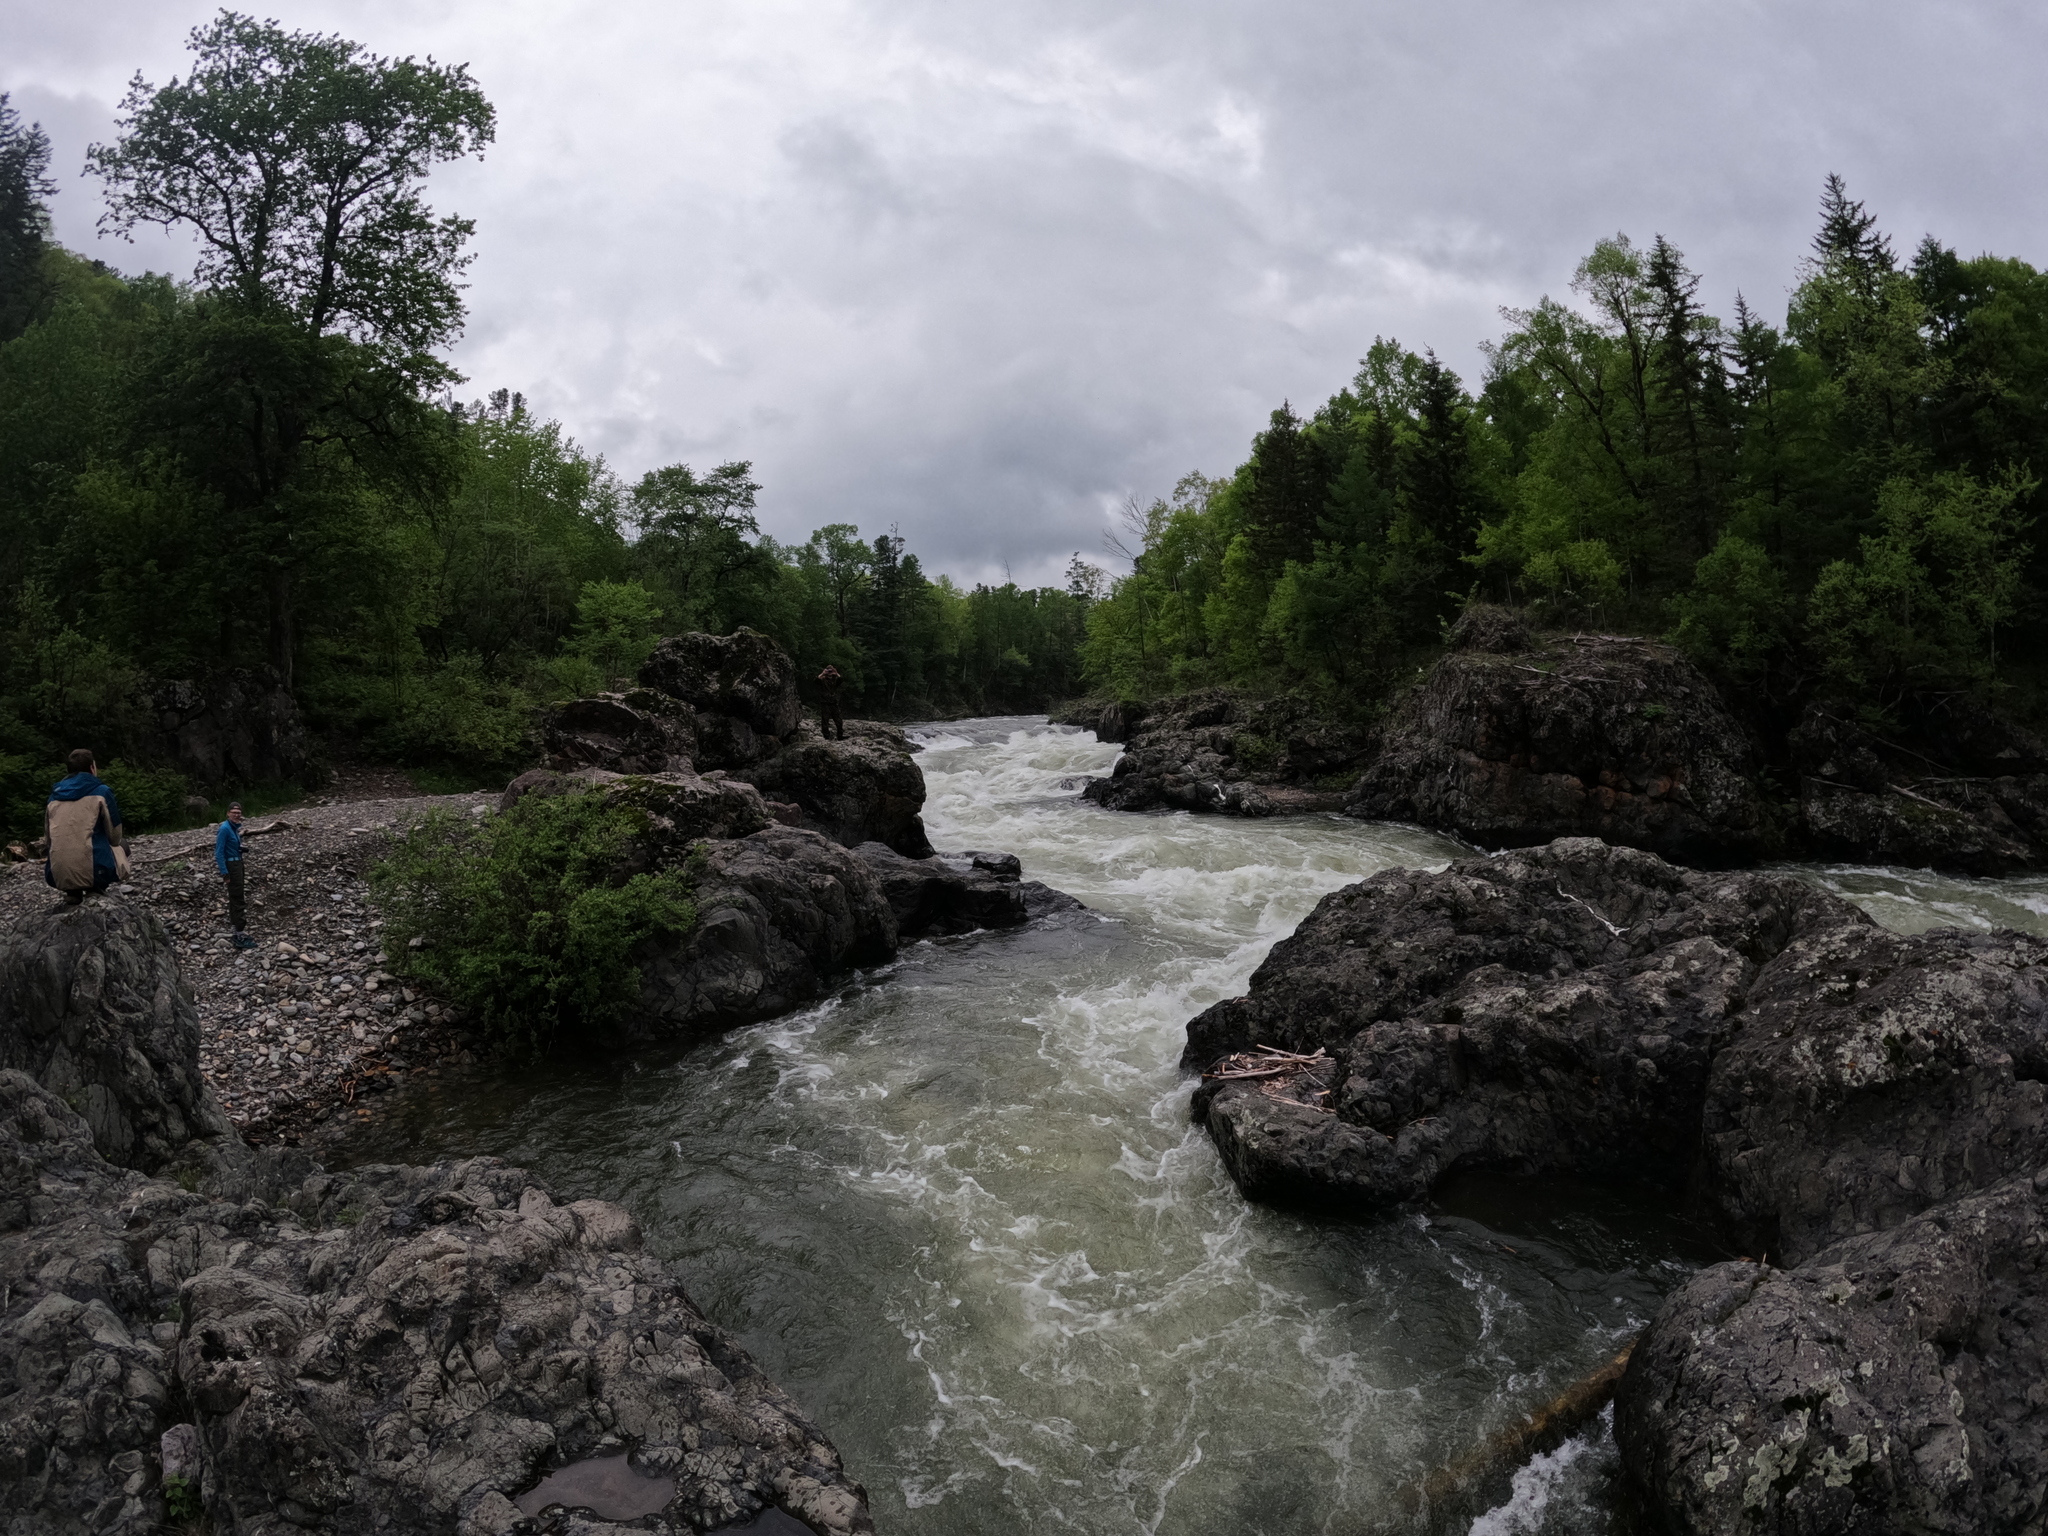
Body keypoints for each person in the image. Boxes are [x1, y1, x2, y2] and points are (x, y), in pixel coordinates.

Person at [44, 749, 126, 903]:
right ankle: (95, 888)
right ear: (92, 768)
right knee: (122, 844)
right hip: (96, 871)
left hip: (57, 874)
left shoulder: (53, 796)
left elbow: (48, 839)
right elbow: (115, 836)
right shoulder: (102, 792)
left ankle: (72, 892)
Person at [215, 801, 255, 949]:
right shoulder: (225, 829)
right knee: (238, 898)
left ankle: (237, 930)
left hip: (238, 863)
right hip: (232, 866)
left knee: (236, 897)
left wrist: (240, 849)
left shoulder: (234, 829)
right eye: (234, 812)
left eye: (239, 813)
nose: (237, 815)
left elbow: (231, 847)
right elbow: (218, 852)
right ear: (228, 813)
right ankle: (239, 933)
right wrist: (225, 872)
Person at [817, 664, 846, 740]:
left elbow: (841, 680)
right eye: (828, 671)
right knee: (825, 720)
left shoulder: (835, 680)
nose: (830, 673)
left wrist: (836, 673)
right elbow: (816, 681)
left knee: (839, 720)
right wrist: (823, 674)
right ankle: (826, 736)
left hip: (833, 702)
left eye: (831, 671)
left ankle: (840, 735)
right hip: (825, 702)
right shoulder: (822, 680)